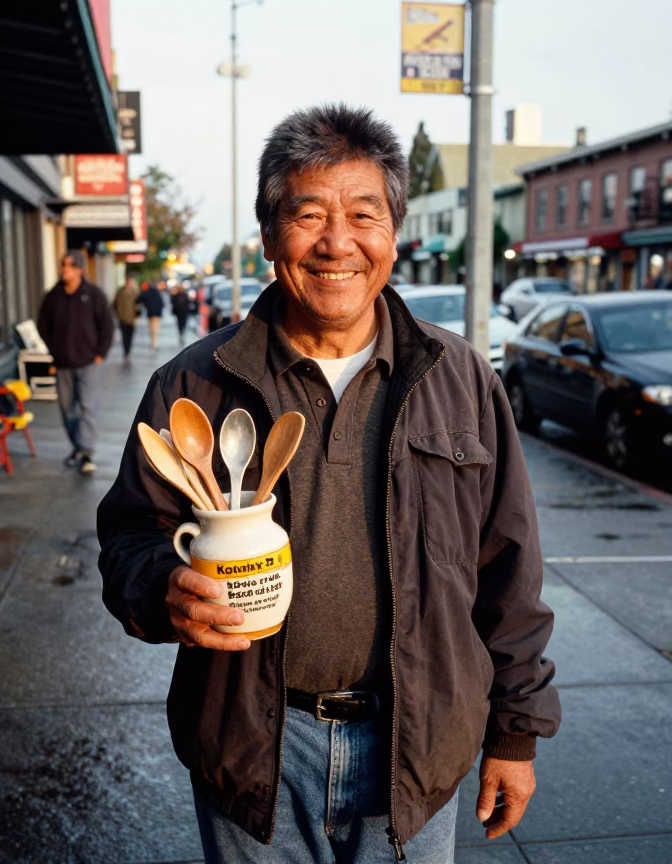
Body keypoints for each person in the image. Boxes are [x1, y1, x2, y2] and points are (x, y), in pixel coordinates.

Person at [98, 105, 559, 863]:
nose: (337, 242)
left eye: (362, 215)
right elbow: (129, 536)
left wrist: (516, 729)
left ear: (394, 234)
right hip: (255, 747)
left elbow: (508, 568)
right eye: (308, 214)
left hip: (415, 741)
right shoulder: (195, 384)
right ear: (271, 234)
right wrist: (161, 588)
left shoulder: (461, 377)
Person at [36, 250, 113, 474]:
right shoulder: (53, 296)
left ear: (79, 269)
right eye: (63, 265)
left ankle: (86, 451)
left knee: (88, 407)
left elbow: (107, 325)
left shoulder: (94, 294)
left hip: (90, 362)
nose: (64, 269)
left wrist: (100, 353)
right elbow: (43, 326)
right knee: (67, 410)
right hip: (62, 364)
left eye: (69, 266)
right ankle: (78, 447)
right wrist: (54, 350)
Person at [113, 276, 141, 361]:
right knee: (124, 336)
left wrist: (137, 313)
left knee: (130, 336)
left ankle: (128, 351)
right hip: (122, 318)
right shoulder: (120, 292)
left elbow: (139, 304)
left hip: (132, 319)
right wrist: (118, 314)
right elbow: (114, 304)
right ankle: (126, 352)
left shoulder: (135, 293)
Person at [136, 281, 165, 350]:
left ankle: (153, 343)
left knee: (152, 329)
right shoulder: (156, 292)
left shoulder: (146, 293)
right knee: (155, 329)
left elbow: (139, 300)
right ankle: (154, 343)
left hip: (152, 314)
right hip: (157, 314)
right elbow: (162, 303)